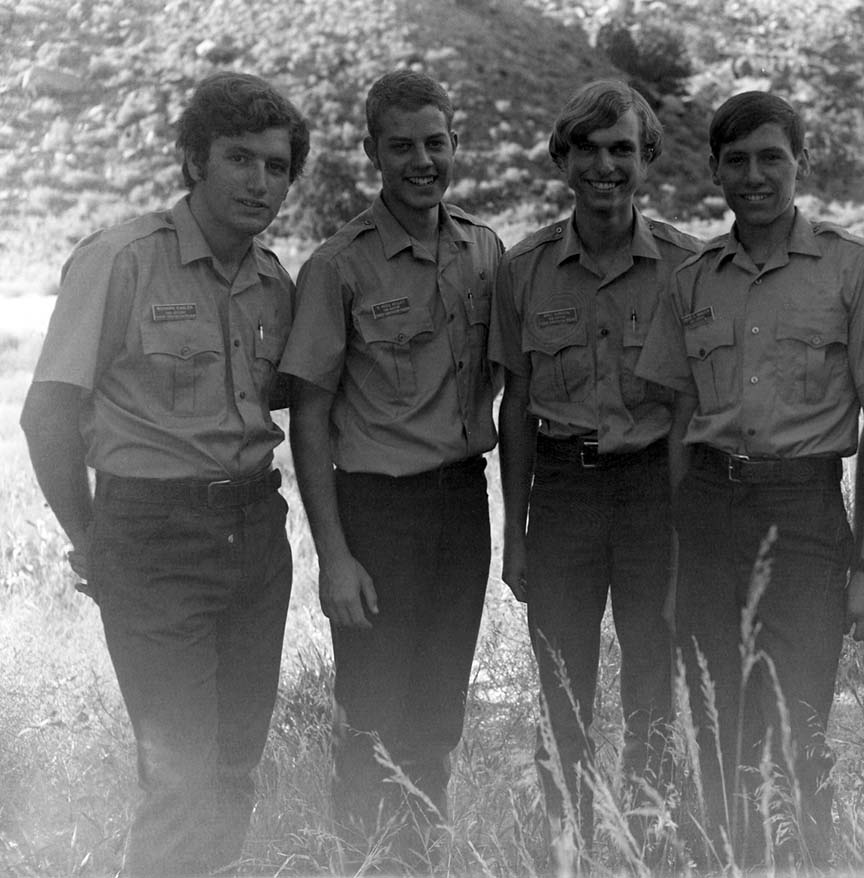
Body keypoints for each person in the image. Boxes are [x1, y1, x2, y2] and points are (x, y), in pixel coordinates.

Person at [20, 72, 308, 876]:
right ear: (193, 160)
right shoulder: (120, 260)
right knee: (179, 777)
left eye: (277, 167)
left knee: (235, 764)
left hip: (255, 533)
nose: (259, 182)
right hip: (151, 537)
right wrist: (91, 537)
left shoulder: (273, 281)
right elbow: (47, 415)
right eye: (238, 159)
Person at [635, 91, 864, 870]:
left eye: (772, 158)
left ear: (801, 162)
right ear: (716, 170)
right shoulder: (692, 279)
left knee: (799, 728)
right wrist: (675, 553)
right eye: (737, 160)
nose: (755, 175)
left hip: (801, 513)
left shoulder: (855, 269)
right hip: (707, 509)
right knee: (717, 724)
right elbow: (679, 424)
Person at [278, 70, 502, 866]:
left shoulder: (484, 249)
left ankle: (422, 857)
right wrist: (334, 556)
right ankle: (365, 861)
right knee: (373, 710)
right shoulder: (337, 267)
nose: (421, 161)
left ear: (455, 145)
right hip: (377, 511)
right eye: (401, 145)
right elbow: (309, 416)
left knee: (439, 710)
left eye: (435, 143)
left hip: (463, 505)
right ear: (372, 150)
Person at [489, 80, 700, 861]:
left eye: (623, 149)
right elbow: (513, 407)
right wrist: (517, 537)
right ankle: (567, 845)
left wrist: (686, 526)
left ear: (646, 159)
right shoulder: (525, 268)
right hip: (565, 491)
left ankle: (645, 837)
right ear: (563, 159)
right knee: (560, 687)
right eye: (589, 148)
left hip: (655, 492)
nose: (605, 166)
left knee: (655, 677)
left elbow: (687, 411)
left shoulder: (686, 266)